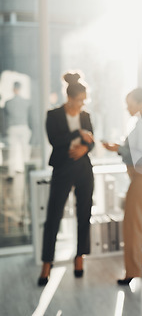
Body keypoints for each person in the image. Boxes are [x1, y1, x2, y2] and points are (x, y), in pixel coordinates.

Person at [103, 88, 142, 285]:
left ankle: (132, 271)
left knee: (132, 223)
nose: (127, 107)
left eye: (129, 103)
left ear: (140, 104)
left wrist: (118, 149)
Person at [38, 72, 95, 286]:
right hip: (62, 168)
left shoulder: (86, 115)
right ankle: (47, 263)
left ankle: (80, 258)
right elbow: (55, 141)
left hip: (83, 168)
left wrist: (85, 148)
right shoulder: (53, 115)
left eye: (84, 100)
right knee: (53, 216)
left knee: (84, 214)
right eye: (79, 100)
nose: (82, 104)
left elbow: (92, 141)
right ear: (70, 98)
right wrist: (77, 133)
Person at [4, 81, 31, 180]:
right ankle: (27, 173)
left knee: (12, 151)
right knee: (25, 151)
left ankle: (11, 174)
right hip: (23, 127)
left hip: (13, 128)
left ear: (13, 89)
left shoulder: (8, 103)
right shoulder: (26, 102)